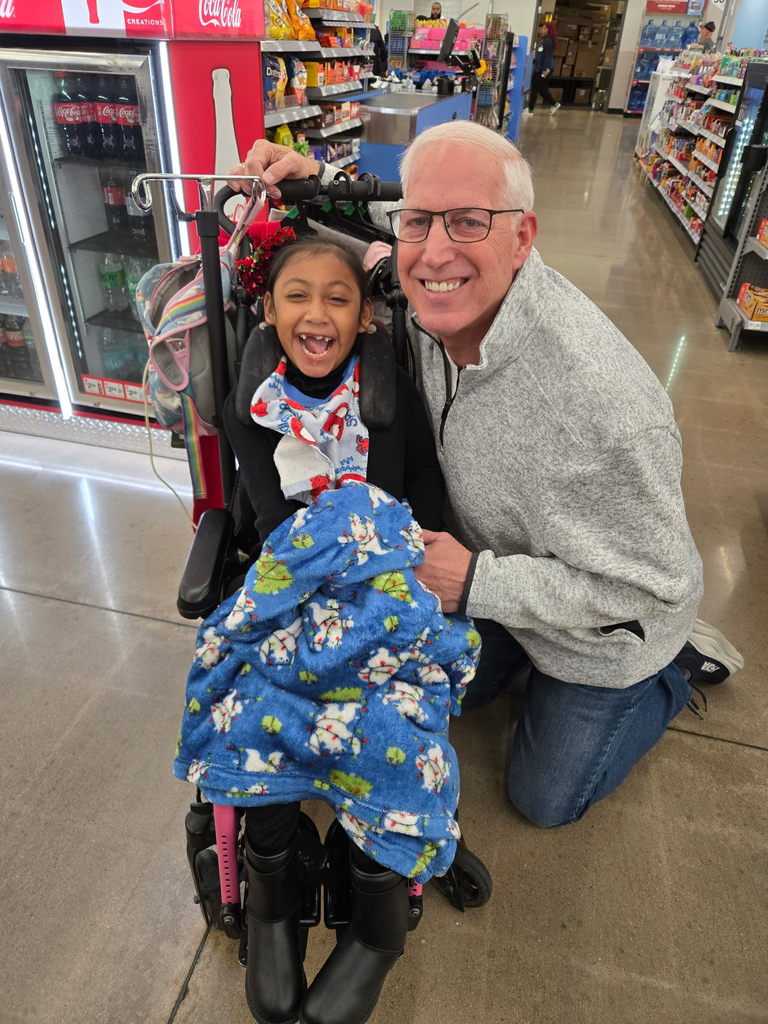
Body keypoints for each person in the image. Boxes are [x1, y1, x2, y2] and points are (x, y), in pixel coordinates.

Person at [230, 121, 744, 835]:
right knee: (426, 691)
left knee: (543, 801)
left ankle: (672, 672)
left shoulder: (610, 408)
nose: (435, 252)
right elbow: (391, 220)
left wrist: (477, 583)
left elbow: (649, 582)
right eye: (419, 223)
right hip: (485, 563)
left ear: (522, 237)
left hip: (606, 626)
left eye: (469, 222)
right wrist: (309, 177)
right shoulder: (426, 290)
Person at [177, 239, 479, 1024]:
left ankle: (378, 919)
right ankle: (273, 889)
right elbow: (277, 523)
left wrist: (391, 566)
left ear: (365, 314)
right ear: (270, 311)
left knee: (398, 717)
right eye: (297, 297)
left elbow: (421, 500)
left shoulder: (392, 395)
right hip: (294, 577)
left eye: (338, 298)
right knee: (251, 709)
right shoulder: (257, 404)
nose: (317, 314)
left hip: (386, 577)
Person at [525, 21, 561, 116]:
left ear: (550, 30)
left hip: (544, 69)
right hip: (541, 67)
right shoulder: (544, 40)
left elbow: (548, 56)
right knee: (542, 90)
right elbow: (542, 54)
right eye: (542, 28)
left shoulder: (548, 41)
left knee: (534, 87)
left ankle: (530, 109)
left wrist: (545, 70)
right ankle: (555, 104)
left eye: (545, 28)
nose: (542, 30)